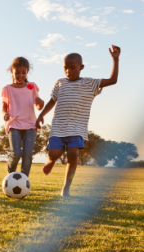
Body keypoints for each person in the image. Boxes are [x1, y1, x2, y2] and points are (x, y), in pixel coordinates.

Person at [36, 45, 121, 197]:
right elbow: (51, 101)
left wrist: (115, 59)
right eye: (65, 68)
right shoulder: (60, 83)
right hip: (58, 127)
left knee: (73, 154)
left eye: (72, 67)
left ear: (81, 67)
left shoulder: (90, 83)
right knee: (54, 153)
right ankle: (51, 160)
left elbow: (113, 80)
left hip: (77, 128)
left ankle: (66, 188)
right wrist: (41, 115)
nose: (68, 71)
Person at [2, 57, 44, 177]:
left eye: (24, 73)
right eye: (17, 72)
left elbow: (39, 107)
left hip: (30, 125)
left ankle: (24, 179)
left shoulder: (32, 87)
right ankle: (10, 177)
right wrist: (4, 114)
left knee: (27, 154)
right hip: (14, 124)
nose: (21, 75)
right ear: (12, 71)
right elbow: (4, 107)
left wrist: (41, 102)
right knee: (15, 154)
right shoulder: (7, 89)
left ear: (27, 72)